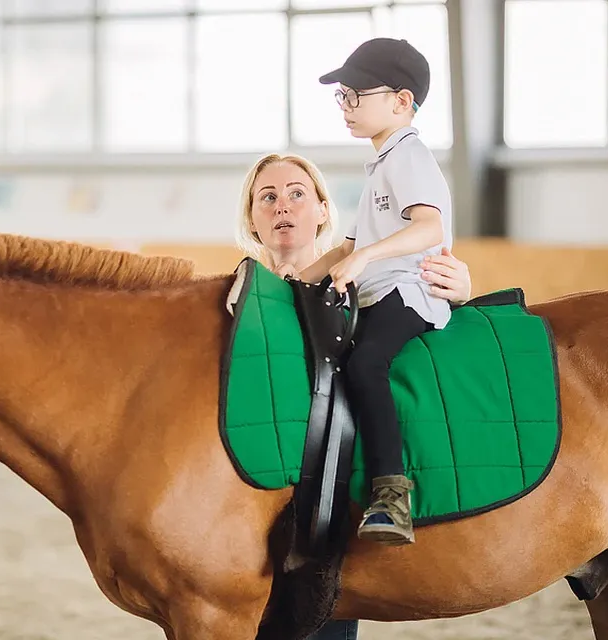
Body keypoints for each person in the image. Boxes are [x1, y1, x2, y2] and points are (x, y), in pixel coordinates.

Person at [237, 151, 471, 640]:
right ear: (252, 219)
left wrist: (459, 292)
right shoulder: (239, 301)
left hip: (334, 507)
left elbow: (420, 360)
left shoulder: (369, 288)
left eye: (298, 194)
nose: (283, 206)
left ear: (324, 211)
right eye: (269, 197)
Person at [295, 37, 452, 547]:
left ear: (401, 102)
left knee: (365, 366)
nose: (346, 107)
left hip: (407, 293)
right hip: (379, 291)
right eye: (342, 95)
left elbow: (429, 228)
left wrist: (364, 258)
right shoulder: (383, 164)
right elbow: (346, 244)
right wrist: (292, 281)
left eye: (356, 95)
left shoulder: (410, 157)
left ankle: (391, 494)